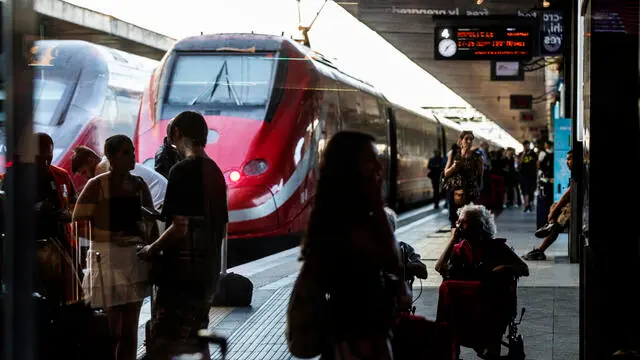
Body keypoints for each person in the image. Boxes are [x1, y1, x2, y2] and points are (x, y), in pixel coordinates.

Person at [300, 131, 409, 360]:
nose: (379, 167)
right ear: (349, 167)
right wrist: (378, 204)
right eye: (371, 160)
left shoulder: (344, 214)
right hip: (355, 338)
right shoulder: (345, 220)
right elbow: (390, 259)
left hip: (361, 333)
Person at [137, 110, 228, 359]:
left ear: (176, 134)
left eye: (170, 137)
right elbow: (221, 227)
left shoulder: (181, 171)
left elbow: (179, 225)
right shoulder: (216, 173)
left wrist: (151, 249)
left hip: (181, 277)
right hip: (207, 274)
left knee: (164, 342)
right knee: (198, 337)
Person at [73, 135, 154, 360]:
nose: (133, 157)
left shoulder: (139, 185)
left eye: (133, 151)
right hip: (106, 257)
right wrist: (110, 235)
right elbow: (78, 224)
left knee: (129, 329)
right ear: (111, 156)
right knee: (111, 330)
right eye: (126, 152)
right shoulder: (96, 185)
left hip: (133, 258)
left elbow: (149, 221)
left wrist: (147, 240)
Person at [435, 204, 529, 359]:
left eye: (462, 222)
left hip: (490, 306)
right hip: (464, 307)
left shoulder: (496, 247)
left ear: (478, 226)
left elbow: (524, 269)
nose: (458, 226)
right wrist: (453, 239)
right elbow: (439, 268)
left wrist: (503, 268)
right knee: (447, 288)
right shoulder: (459, 249)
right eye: (458, 222)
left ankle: (487, 347)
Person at [7, 133, 80, 304]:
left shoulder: (60, 175)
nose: (46, 162)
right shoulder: (14, 178)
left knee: (67, 295)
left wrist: (68, 213)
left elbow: (74, 203)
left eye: (49, 157)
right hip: (27, 247)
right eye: (40, 158)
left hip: (60, 244)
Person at [71, 145, 167, 210]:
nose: (85, 177)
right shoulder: (108, 163)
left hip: (159, 204)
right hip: (162, 200)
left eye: (84, 172)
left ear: (91, 160)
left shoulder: (102, 168)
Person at [523, 150, 573, 261]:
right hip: (570, 206)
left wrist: (554, 211)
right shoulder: (575, 174)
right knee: (555, 212)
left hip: (573, 209)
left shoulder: (579, 175)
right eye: (567, 159)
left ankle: (541, 249)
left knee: (559, 221)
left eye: (569, 159)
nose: (566, 162)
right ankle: (542, 246)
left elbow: (566, 196)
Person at [441, 131, 484, 229]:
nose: (469, 141)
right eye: (466, 139)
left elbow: (480, 176)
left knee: (468, 219)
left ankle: (465, 241)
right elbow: (446, 173)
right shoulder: (454, 154)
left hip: (469, 192)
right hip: (454, 191)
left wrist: (479, 190)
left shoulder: (477, 157)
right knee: (453, 218)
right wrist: (454, 167)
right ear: (461, 141)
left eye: (471, 139)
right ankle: (455, 240)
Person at [518, 140, 537, 213]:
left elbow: (536, 164)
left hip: (532, 176)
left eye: (528, 145)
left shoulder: (534, 154)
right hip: (524, 175)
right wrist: (523, 154)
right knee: (525, 191)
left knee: (531, 191)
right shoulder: (521, 154)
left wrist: (537, 174)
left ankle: (530, 203)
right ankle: (526, 206)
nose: (526, 147)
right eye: (525, 146)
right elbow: (519, 163)